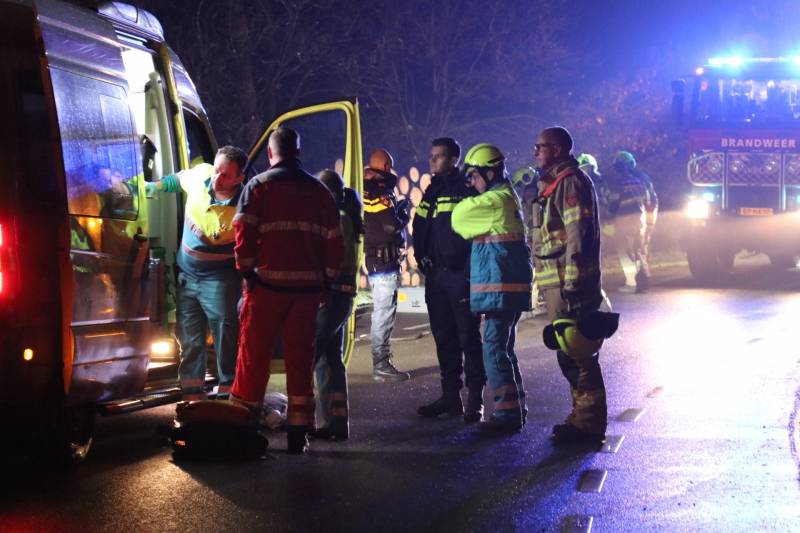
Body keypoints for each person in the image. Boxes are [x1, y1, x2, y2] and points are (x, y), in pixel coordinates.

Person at [230, 127, 344, 454]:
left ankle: (244, 423)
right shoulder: (319, 192)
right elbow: (334, 244)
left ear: (270, 153)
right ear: (299, 152)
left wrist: (247, 272)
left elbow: (243, 235)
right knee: (300, 359)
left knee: (253, 357)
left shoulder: (258, 187)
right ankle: (298, 431)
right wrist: (325, 281)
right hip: (306, 291)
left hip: (265, 287)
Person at [146, 146, 247, 402]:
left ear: (239, 179)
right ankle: (191, 392)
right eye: (216, 170)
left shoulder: (244, 206)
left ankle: (228, 390)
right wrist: (154, 187)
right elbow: (178, 180)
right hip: (187, 277)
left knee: (225, 334)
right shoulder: (201, 175)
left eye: (225, 175)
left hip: (220, 281)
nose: (216, 178)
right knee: (189, 337)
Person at [531, 126, 607, 443]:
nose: (536, 152)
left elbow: (577, 232)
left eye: (541, 147)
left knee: (580, 353)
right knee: (568, 353)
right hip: (557, 284)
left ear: (558, 149)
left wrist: (574, 279)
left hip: (569, 284)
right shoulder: (553, 184)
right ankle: (580, 416)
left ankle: (589, 424)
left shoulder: (571, 183)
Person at [452, 143, 532, 433]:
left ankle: (507, 416)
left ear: (489, 171)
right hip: (509, 288)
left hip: (501, 288)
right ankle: (515, 407)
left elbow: (459, 220)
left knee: (494, 350)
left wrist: (465, 198)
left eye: (474, 176)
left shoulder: (494, 200)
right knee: (504, 349)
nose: (472, 183)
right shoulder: (507, 197)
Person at [413, 137, 486, 422]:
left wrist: (468, 270)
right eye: (431, 156)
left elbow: (473, 232)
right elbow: (421, 228)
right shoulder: (432, 190)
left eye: (439, 156)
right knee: (444, 338)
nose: (433, 161)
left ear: (454, 158)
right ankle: (450, 397)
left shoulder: (464, 189)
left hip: (460, 276)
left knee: (468, 337)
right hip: (436, 276)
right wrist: (422, 259)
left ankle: (475, 399)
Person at [312, 169, 363, 441]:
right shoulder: (346, 216)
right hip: (341, 297)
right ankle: (336, 421)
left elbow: (334, 259)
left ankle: (304, 418)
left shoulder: (338, 218)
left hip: (331, 296)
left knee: (313, 354)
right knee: (330, 359)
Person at [362, 148, 410, 381]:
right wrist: (403, 217)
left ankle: (381, 361)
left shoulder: (365, 188)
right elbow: (390, 226)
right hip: (383, 262)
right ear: (387, 166)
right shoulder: (380, 190)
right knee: (383, 313)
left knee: (380, 312)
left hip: (375, 260)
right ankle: (381, 365)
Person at [607, 150, 659, 293]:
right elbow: (649, 199)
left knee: (626, 249)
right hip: (641, 216)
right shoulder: (639, 179)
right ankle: (642, 280)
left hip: (630, 218)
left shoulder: (621, 182)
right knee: (638, 248)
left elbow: (614, 204)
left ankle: (633, 282)